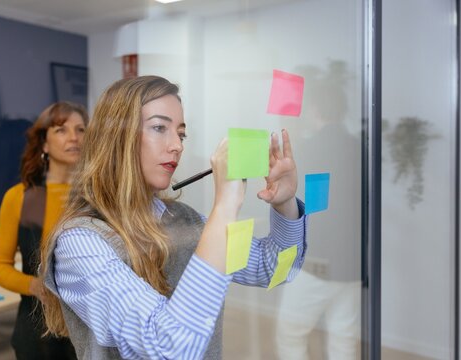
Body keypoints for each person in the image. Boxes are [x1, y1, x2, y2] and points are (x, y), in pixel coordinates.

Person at [39, 75, 308, 359]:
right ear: (116, 137)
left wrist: (285, 203)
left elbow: (274, 267)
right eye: (159, 127)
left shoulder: (187, 220)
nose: (177, 146)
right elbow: (170, 349)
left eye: (181, 134)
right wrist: (225, 207)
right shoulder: (79, 243)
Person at [275, 61, 361, 360]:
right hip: (353, 262)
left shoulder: (314, 148)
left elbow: (312, 208)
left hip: (318, 262)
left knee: (290, 333)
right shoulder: (358, 147)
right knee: (344, 337)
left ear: (315, 110)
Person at [0, 101, 88, 360]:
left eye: (81, 130)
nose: (74, 137)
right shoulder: (19, 198)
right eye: (61, 130)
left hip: (92, 334)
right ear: (44, 144)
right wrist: (35, 286)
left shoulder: (99, 197)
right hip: (37, 335)